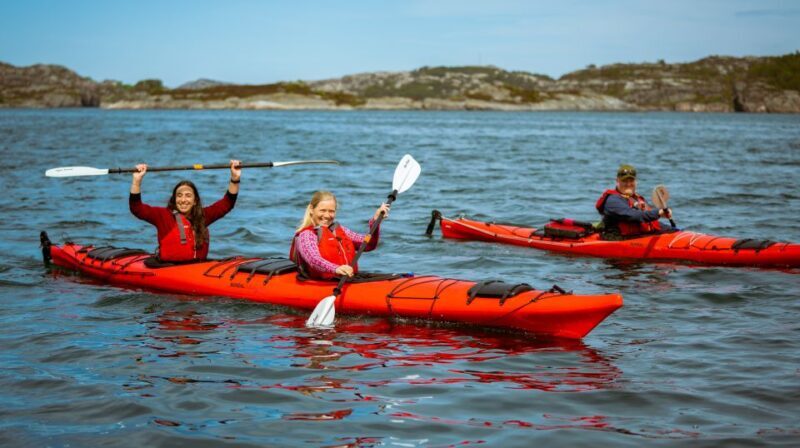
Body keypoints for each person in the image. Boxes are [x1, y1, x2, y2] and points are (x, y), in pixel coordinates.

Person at [130, 160, 241, 262]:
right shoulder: (163, 216)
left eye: (188, 196)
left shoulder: (204, 216)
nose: (183, 200)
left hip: (197, 269)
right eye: (179, 196)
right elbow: (137, 208)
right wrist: (136, 181)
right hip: (169, 269)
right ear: (174, 200)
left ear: (195, 201)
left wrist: (235, 178)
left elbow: (227, 203)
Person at [290, 190, 390, 280]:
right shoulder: (307, 235)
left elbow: (368, 244)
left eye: (331, 211)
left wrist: (375, 222)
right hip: (322, 283)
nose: (327, 215)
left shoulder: (340, 230)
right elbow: (313, 259)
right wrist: (336, 269)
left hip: (345, 279)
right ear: (312, 209)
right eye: (323, 210)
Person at [595, 164, 672, 239]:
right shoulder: (612, 201)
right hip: (619, 240)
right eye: (624, 181)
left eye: (631, 180)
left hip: (639, 237)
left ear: (636, 182)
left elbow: (651, 222)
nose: (628, 184)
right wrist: (657, 212)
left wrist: (674, 230)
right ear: (617, 181)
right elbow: (634, 215)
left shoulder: (638, 199)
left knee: (673, 230)